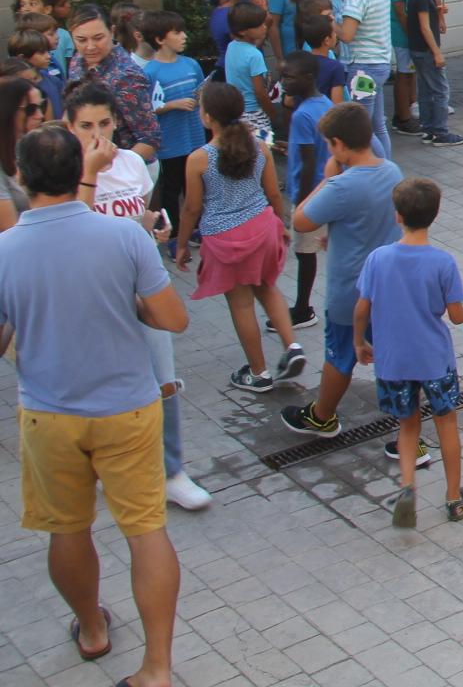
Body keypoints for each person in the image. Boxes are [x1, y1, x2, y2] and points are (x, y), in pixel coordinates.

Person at [0, 125, 189, 687]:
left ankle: (91, 629)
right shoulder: (124, 237)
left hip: (49, 412)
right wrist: (130, 305)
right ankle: (157, 668)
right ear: (80, 173)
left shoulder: (4, 251)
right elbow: (173, 318)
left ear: (21, 176)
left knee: (67, 529)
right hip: (128, 407)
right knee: (146, 530)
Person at [65, 83, 211, 512]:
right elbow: (73, 225)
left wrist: (152, 225)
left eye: (104, 123)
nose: (97, 133)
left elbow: (138, 212)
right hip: (93, 293)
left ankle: (171, 471)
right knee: (98, 383)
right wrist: (89, 171)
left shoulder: (132, 162)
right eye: (86, 125)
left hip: (143, 284)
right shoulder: (63, 171)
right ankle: (101, 464)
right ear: (69, 127)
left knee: (163, 377)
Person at [354, 176, 463, 527]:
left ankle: (408, 487)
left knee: (407, 425)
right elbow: (456, 315)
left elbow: (362, 307)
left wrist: (359, 342)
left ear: (397, 216)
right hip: (433, 359)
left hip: (393, 360)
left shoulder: (378, 259)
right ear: (434, 216)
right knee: (446, 423)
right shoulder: (442, 262)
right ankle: (453, 498)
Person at [279, 103, 405, 439]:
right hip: (388, 289)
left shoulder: (341, 186)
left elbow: (300, 219)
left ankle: (322, 416)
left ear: (339, 144)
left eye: (329, 145)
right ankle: (409, 433)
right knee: (391, 357)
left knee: (340, 355)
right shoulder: (392, 172)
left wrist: (327, 179)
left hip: (350, 292)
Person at [175, 81, 303, 393]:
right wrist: (281, 224)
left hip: (225, 238)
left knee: (242, 305)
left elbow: (192, 208)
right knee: (268, 287)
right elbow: (273, 192)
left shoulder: (199, 159)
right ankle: (292, 346)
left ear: (207, 116)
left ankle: (258, 373)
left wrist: (181, 244)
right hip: (262, 227)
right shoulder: (259, 146)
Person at [141, 11, 204, 258]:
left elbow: (202, 92)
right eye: (177, 32)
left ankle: (195, 229)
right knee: (171, 190)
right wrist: (172, 105)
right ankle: (175, 236)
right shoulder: (150, 72)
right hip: (170, 142)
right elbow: (147, 108)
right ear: (160, 39)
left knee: (195, 187)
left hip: (195, 137)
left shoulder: (191, 64)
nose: (184, 36)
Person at [332, 0, 398, 158]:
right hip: (380, 65)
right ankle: (387, 167)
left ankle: (384, 169)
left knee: (361, 128)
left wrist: (331, 23)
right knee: (378, 124)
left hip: (363, 70)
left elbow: (347, 35)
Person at [68, 2, 161, 159]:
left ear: (112, 32)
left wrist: (117, 166)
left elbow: (150, 138)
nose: (90, 47)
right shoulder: (77, 61)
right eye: (81, 40)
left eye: (98, 38)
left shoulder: (127, 76)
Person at [280, 53, 330, 330]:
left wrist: (301, 204)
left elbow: (308, 163)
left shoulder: (301, 115)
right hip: (327, 188)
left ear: (308, 78)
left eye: (289, 77)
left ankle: (302, 309)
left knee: (304, 251)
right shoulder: (326, 104)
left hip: (309, 194)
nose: (283, 82)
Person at [407, 0, 463, 147]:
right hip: (426, 50)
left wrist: (439, 13)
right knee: (440, 90)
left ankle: (428, 129)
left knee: (425, 90)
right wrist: (437, 52)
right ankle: (440, 132)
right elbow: (425, 27)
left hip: (417, 49)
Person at [382, 0, 420, 135]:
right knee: (404, 76)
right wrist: (412, 35)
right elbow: (401, 11)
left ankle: (408, 111)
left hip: (403, 36)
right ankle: (403, 117)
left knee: (408, 73)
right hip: (402, 37)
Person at [0, 75, 48, 230]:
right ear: (8, 110)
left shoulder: (30, 147)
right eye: (31, 109)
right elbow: (10, 230)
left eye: (42, 106)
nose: (40, 115)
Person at [223, 2, 275, 144]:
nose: (264, 27)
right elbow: (260, 92)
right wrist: (272, 113)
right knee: (264, 151)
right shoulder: (255, 55)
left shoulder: (231, 47)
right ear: (242, 31)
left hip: (238, 112)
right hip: (256, 114)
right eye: (259, 25)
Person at [11, 26, 61, 121]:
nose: (48, 56)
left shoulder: (53, 81)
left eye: (48, 51)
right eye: (42, 53)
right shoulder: (10, 87)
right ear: (22, 58)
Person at [205, 0, 247, 65]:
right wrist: (266, 23)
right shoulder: (230, 14)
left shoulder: (218, 12)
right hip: (236, 68)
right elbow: (245, 50)